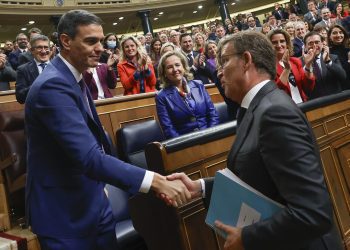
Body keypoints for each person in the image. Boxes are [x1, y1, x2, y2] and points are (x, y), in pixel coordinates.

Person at [25, 10, 190, 250]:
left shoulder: (76, 77)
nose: (101, 47)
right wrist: (155, 181)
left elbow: (97, 142)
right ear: (65, 41)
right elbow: (89, 157)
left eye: (101, 40)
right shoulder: (52, 85)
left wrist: (102, 187)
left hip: (93, 200)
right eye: (91, 41)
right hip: (65, 213)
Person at [167, 32, 343, 250]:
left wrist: (248, 237)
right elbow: (257, 175)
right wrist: (200, 187)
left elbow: (313, 213)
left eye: (224, 61)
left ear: (247, 60)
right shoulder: (253, 107)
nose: (218, 71)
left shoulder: (275, 113)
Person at [155, 51, 219, 139]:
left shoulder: (198, 85)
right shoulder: (161, 96)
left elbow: (212, 114)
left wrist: (211, 135)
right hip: (185, 144)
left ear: (184, 67)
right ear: (164, 73)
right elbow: (169, 129)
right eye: (169, 67)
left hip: (210, 136)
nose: (175, 69)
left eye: (177, 65)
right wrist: (185, 146)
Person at [268, 29, 315, 103]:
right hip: (285, 109)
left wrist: (308, 65)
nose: (279, 45)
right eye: (274, 42)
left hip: (303, 105)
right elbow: (277, 92)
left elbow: (308, 86)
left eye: (282, 41)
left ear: (287, 43)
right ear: (268, 45)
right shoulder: (267, 66)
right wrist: (286, 69)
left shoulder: (295, 61)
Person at [303, 31, 346, 99]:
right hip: (315, 104)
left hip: (336, 99)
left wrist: (328, 61)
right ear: (305, 46)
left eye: (317, 42)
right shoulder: (300, 62)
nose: (314, 45)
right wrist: (307, 65)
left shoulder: (333, 57)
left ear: (322, 44)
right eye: (310, 43)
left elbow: (343, 77)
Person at [15, 35, 51, 104]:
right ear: (32, 50)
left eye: (46, 47)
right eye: (39, 48)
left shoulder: (59, 67)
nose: (43, 51)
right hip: (37, 112)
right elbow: (20, 97)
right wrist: (40, 83)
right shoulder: (23, 70)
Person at [328, 24, 350, 90]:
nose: (338, 35)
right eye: (335, 33)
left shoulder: (348, 49)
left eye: (341, 32)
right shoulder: (328, 53)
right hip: (342, 89)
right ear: (330, 37)